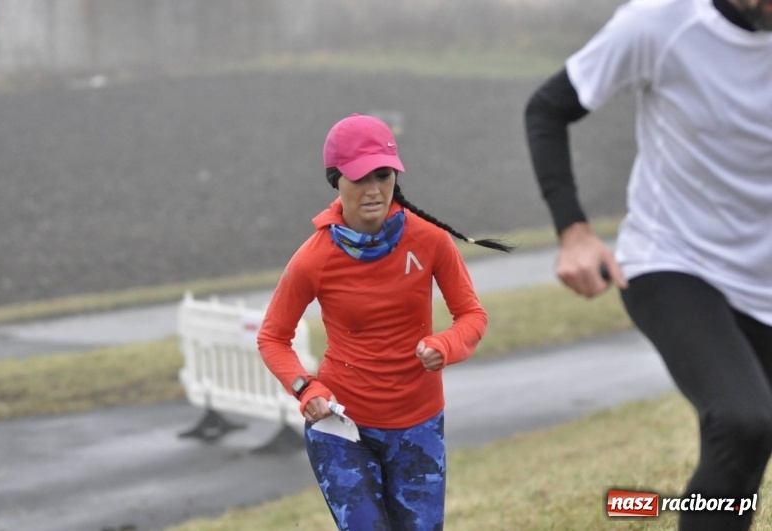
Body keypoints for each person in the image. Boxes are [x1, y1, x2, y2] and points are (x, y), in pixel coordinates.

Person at [523, 0, 772, 530]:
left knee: (743, 446)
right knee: (743, 420)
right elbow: (547, 109)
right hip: (672, 262)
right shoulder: (660, 23)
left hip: (764, 278)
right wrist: (575, 232)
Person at [257, 113, 511, 530]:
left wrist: (445, 346)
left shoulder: (429, 240)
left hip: (419, 425)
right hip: (342, 428)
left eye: (383, 174)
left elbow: (472, 316)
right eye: (360, 178)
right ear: (336, 179)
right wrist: (306, 388)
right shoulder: (313, 259)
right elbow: (272, 338)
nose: (374, 190)